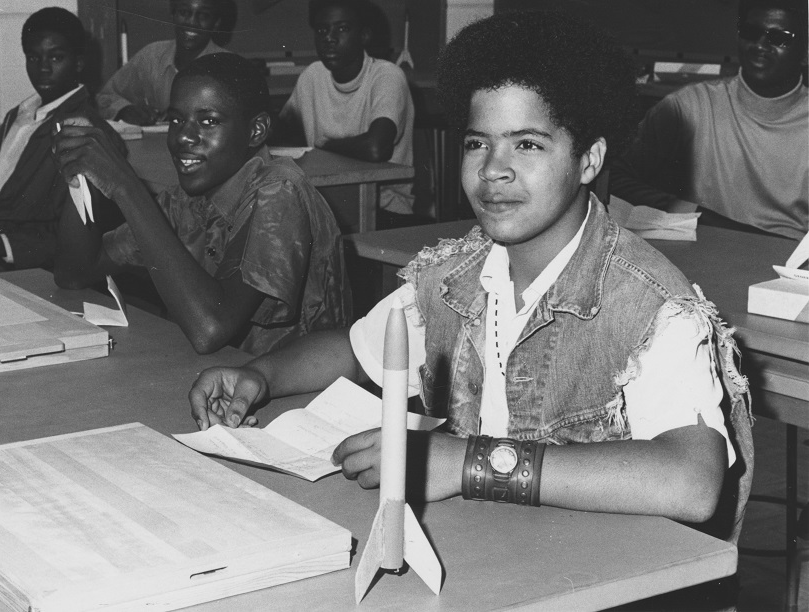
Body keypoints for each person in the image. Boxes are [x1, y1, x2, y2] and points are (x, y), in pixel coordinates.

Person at [189, 12, 754, 546]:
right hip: (489, 552)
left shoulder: (653, 305)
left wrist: (468, 462)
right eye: (476, 143)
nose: (493, 168)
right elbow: (359, 351)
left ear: (589, 161)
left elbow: (692, 481)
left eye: (527, 143)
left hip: (597, 574)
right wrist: (259, 375)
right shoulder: (454, 274)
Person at [53, 53, 350, 356]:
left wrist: (125, 186)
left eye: (208, 121)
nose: (183, 135)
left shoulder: (280, 191)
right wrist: (84, 172)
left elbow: (210, 329)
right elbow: (75, 272)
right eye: (176, 119)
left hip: (295, 395)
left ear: (256, 130)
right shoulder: (188, 201)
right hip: (214, 380)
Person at [0, 7, 125, 276]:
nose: (43, 68)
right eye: (34, 58)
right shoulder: (19, 114)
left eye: (56, 57)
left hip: (10, 257)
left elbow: (69, 236)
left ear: (79, 62)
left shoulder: (85, 133)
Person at [611, 0, 807, 240]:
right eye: (751, 32)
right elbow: (615, 176)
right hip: (705, 254)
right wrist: (685, 210)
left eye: (779, 37)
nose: (759, 45)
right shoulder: (690, 105)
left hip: (787, 264)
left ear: (805, 54)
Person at [276, 0, 416, 216]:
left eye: (342, 28)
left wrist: (324, 144)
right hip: (326, 203)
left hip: (383, 208)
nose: (329, 38)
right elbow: (279, 136)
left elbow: (376, 147)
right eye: (322, 30)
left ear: (364, 35)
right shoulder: (313, 76)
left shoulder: (387, 76)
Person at [96, 0, 237, 126]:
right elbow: (104, 97)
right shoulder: (151, 56)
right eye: (184, 12)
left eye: (204, 15)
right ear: (173, 15)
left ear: (216, 22)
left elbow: (237, 119)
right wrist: (124, 110)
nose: (192, 22)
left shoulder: (229, 66)